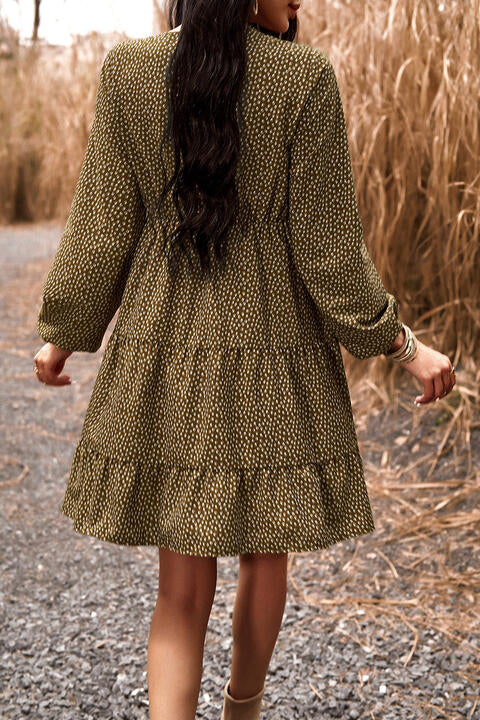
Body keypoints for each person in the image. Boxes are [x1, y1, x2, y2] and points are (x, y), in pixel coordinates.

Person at [32, 1, 456, 718]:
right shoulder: (304, 78)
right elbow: (327, 252)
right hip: (277, 353)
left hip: (164, 350)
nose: (302, 2)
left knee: (180, 585)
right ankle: (242, 708)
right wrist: (403, 346)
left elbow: (104, 223)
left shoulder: (129, 71)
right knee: (268, 553)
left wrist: (64, 333)